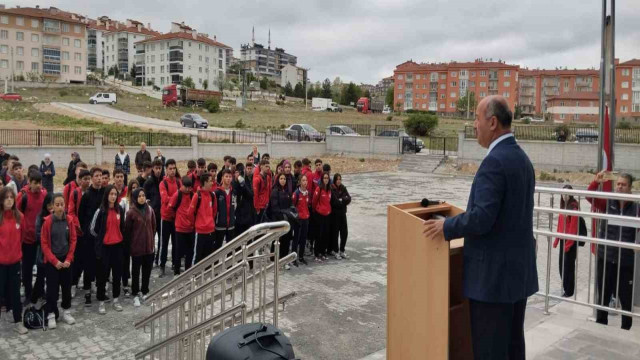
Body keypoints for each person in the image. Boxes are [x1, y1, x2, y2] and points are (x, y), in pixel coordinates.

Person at [424, 95, 538, 360]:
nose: (473, 124)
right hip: (515, 277)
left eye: (476, 118)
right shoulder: (522, 159)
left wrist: (445, 227)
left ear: (493, 122)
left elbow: (483, 218)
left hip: (492, 281)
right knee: (512, 347)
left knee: (490, 351)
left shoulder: (495, 162)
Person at [587, 171, 637, 330]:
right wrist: (596, 181)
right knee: (603, 295)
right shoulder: (608, 202)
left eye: (623, 185)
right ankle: (601, 327)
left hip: (626, 259)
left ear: (630, 188)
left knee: (626, 298)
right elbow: (590, 196)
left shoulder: (636, 206)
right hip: (606, 256)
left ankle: (626, 329)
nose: (620, 187)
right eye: (618, 184)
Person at [40, 193, 77, 329]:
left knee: (66, 288)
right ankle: (51, 314)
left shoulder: (69, 220)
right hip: (52, 262)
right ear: (52, 207)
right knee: (52, 290)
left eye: (62, 204)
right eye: (57, 205)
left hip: (66, 260)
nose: (60, 207)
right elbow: (44, 243)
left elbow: (73, 240)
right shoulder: (48, 222)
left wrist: (68, 259)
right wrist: (54, 261)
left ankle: (66, 312)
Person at [90, 185, 126, 315]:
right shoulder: (100, 211)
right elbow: (92, 229)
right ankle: (101, 302)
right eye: (111, 194)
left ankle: (116, 299)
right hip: (105, 248)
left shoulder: (120, 210)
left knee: (117, 276)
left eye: (115, 194)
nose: (113, 196)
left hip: (117, 247)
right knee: (102, 276)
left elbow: (123, 227)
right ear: (107, 195)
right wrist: (101, 239)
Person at [0, 187, 28, 334]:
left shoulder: (20, 217)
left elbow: (21, 237)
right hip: (1, 264)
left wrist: (16, 252)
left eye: (12, 197)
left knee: (16, 294)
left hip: (15, 262)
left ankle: (18, 322)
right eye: (6, 197)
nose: (9, 200)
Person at [16, 171, 47, 301]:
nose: (38, 186)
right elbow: (17, 215)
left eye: (40, 183)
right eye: (35, 183)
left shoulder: (44, 194)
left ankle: (39, 291)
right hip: (27, 239)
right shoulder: (23, 196)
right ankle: (28, 293)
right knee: (27, 269)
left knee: (42, 268)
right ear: (29, 181)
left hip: (41, 238)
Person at [77, 167, 105, 306]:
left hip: (101, 236)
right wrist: (86, 231)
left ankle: (100, 290)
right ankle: (87, 291)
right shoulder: (87, 195)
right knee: (88, 264)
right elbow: (81, 216)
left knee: (100, 264)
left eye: (101, 176)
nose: (99, 178)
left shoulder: (105, 193)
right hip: (89, 237)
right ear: (92, 178)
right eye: (97, 176)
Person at [124, 188, 156, 307]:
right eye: (139, 196)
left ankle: (145, 291)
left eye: (143, 195)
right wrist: (129, 247)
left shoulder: (150, 210)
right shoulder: (131, 212)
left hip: (148, 247)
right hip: (136, 248)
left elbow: (153, 226)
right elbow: (127, 232)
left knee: (147, 271)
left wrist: (151, 242)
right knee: (136, 272)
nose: (142, 198)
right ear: (135, 198)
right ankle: (135, 293)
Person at [552, 184, 581, 298]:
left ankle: (569, 291)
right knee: (561, 266)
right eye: (563, 193)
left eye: (567, 193)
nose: (564, 196)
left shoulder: (573, 207)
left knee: (568, 267)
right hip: (563, 240)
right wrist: (557, 240)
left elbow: (573, 227)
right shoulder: (563, 206)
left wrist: (569, 244)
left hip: (570, 241)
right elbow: (560, 224)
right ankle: (566, 289)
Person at [68, 169, 91, 296]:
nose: (87, 181)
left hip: (88, 232)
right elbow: (71, 212)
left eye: (89, 179)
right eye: (85, 179)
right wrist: (78, 225)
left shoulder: (91, 192)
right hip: (77, 233)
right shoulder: (75, 193)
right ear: (80, 180)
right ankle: (73, 283)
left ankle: (87, 282)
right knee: (76, 260)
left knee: (87, 259)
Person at [30, 193, 53, 308]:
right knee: (40, 277)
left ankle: (48, 298)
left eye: (53, 205)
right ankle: (34, 297)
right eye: (49, 205)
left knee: (50, 278)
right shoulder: (41, 216)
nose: (51, 208)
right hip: (43, 253)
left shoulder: (59, 216)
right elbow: (37, 234)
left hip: (55, 253)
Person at [159, 159, 180, 276]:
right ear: (166, 170)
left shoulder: (178, 182)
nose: (172, 171)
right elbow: (165, 199)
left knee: (176, 243)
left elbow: (181, 198)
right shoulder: (163, 183)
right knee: (164, 243)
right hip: (166, 217)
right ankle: (162, 266)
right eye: (170, 169)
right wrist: (176, 196)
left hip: (176, 218)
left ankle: (174, 264)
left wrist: (174, 198)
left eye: (174, 168)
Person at [189, 173, 217, 265]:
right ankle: (194, 277)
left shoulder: (212, 195)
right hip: (200, 232)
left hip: (210, 231)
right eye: (210, 181)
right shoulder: (197, 196)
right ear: (205, 182)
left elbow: (214, 211)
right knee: (197, 257)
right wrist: (197, 224)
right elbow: (190, 213)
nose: (212, 183)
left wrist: (210, 223)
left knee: (209, 257)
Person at [269, 172, 294, 269]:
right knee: (278, 240)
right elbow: (274, 208)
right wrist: (283, 215)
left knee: (287, 240)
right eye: (281, 179)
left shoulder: (287, 191)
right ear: (278, 180)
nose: (283, 180)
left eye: (284, 179)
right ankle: (276, 260)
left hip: (287, 220)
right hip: (279, 220)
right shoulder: (275, 191)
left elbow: (290, 204)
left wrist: (291, 212)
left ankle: (284, 259)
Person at [119, 179, 139, 298]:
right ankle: (125, 283)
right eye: (133, 188)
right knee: (125, 261)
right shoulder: (124, 202)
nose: (135, 190)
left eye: (137, 187)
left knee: (136, 261)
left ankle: (135, 284)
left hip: (136, 237)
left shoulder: (141, 202)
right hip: (126, 236)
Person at [170, 176, 195, 271]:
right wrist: (176, 218)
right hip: (180, 228)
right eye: (186, 187)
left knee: (189, 251)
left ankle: (187, 270)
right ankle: (177, 270)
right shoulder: (177, 195)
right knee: (178, 251)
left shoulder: (193, 195)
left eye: (190, 187)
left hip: (190, 228)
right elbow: (171, 207)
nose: (188, 189)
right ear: (182, 186)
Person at [144, 159, 163, 268]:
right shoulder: (148, 182)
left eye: (160, 168)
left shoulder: (163, 181)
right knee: (151, 238)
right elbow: (145, 199)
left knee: (161, 239)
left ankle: (158, 259)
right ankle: (150, 258)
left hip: (162, 215)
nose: (158, 170)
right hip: (152, 215)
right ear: (152, 169)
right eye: (156, 168)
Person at [214, 170, 237, 251]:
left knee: (230, 248)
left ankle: (229, 264)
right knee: (217, 247)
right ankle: (216, 263)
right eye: (226, 176)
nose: (228, 179)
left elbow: (235, 206)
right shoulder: (217, 192)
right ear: (222, 178)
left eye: (230, 177)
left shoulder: (233, 192)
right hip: (220, 225)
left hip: (231, 224)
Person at [313, 172, 333, 262]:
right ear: (322, 179)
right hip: (319, 214)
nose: (326, 179)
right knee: (319, 234)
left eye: (327, 178)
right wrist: (316, 209)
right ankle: (317, 254)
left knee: (326, 234)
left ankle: (323, 252)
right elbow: (314, 201)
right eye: (324, 178)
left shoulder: (329, 189)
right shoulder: (319, 189)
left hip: (327, 215)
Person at [331, 174, 351, 260]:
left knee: (344, 233)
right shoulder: (332, 189)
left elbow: (349, 198)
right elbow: (334, 202)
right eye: (337, 179)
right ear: (335, 180)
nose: (339, 181)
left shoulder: (343, 188)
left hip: (343, 214)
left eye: (340, 179)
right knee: (335, 233)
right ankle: (336, 251)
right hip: (335, 215)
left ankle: (342, 250)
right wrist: (343, 200)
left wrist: (342, 200)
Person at [292, 174, 310, 266]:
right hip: (298, 220)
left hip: (306, 219)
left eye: (306, 180)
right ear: (300, 182)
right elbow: (293, 206)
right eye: (303, 180)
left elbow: (308, 205)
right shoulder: (296, 194)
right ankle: (293, 258)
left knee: (303, 239)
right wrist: (296, 216)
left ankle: (301, 257)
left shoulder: (308, 193)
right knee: (296, 239)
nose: (305, 182)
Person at [235, 163, 255, 235]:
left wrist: (242, 183)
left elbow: (251, 194)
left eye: (250, 168)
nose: (249, 170)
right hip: (238, 213)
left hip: (247, 212)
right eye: (248, 168)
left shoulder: (248, 180)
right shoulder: (234, 181)